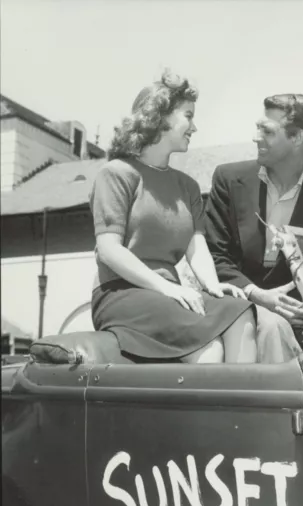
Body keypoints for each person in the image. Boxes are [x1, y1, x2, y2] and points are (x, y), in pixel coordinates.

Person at [90, 70, 257, 364]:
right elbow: (109, 249)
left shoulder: (187, 186)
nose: (195, 127)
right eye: (188, 116)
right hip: (121, 292)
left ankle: (240, 409)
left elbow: (197, 246)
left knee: (239, 312)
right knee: (208, 348)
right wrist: (167, 287)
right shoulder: (116, 173)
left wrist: (213, 286)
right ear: (161, 117)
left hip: (169, 293)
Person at [205, 93, 303, 363]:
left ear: (297, 137)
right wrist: (258, 296)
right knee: (270, 327)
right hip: (235, 308)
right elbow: (214, 258)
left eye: (266, 131)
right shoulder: (228, 180)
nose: (255, 137)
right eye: (257, 128)